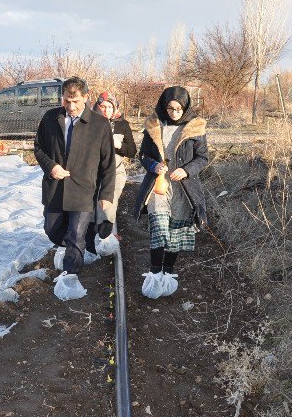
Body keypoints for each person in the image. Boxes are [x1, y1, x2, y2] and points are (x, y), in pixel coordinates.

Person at [34, 76, 116, 299]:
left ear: (86, 98)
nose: (71, 106)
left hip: (84, 189)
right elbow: (38, 148)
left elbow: (108, 163)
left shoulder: (99, 124)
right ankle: (72, 249)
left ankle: (70, 277)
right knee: (52, 229)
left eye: (76, 101)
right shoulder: (51, 118)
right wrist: (51, 167)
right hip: (55, 188)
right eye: (67, 101)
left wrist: (106, 194)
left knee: (76, 235)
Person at [133, 86, 208, 298]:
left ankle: (168, 271)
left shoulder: (196, 128)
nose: (173, 112)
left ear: (185, 108)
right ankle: (155, 272)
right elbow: (143, 155)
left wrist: (186, 170)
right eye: (170, 108)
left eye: (178, 109)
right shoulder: (154, 125)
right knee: (159, 230)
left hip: (183, 190)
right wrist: (153, 166)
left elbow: (202, 158)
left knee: (175, 233)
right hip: (159, 187)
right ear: (163, 106)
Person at [92, 91, 137, 246]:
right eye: (103, 106)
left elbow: (132, 151)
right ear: (97, 107)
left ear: (115, 108)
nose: (106, 110)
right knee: (94, 204)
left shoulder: (122, 125)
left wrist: (119, 145)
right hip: (94, 172)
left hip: (116, 171)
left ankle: (107, 235)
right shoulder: (89, 124)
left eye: (110, 107)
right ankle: (96, 235)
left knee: (108, 203)